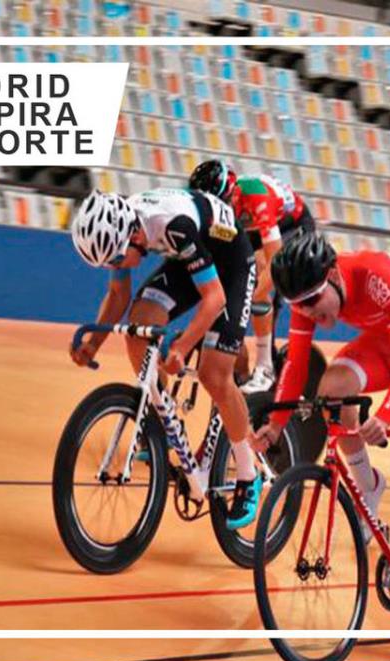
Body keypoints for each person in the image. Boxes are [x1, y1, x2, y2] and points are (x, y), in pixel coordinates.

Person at [252, 233, 390, 630]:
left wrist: (386, 412)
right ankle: (369, 486)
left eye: (313, 301)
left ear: (333, 275)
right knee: (331, 389)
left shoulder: (375, 275)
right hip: (385, 342)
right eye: (298, 306)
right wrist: (275, 425)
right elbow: (295, 366)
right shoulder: (304, 295)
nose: (308, 313)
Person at [68, 188, 262, 529]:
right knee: (138, 328)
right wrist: (93, 345)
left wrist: (182, 347)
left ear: (133, 235)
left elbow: (214, 299)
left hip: (230, 264)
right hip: (191, 257)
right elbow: (119, 294)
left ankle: (249, 474)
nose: (116, 266)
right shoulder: (125, 226)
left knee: (214, 375)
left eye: (115, 260)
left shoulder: (173, 225)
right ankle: (161, 420)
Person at [189, 160, 315, 394]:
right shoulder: (215, 206)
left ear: (234, 192)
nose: (218, 210)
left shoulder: (256, 196)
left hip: (292, 225)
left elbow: (276, 262)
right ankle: (243, 372)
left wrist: (252, 296)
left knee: (257, 290)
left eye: (222, 203)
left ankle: (265, 368)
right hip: (253, 229)